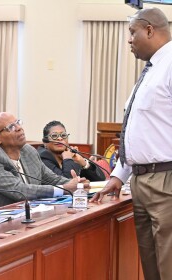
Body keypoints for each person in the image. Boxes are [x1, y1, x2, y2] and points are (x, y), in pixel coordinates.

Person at [90, 8, 172, 280]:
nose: (129, 40)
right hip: (139, 180)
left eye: (132, 32)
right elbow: (138, 133)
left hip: (166, 179)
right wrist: (118, 176)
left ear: (149, 30)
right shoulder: (151, 71)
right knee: (151, 266)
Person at [0, 112, 88, 212]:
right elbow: (20, 191)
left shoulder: (28, 151)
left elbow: (52, 179)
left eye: (18, 122)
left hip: (25, 214)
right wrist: (65, 188)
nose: (19, 128)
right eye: (11, 127)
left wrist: (78, 185)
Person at [38, 120, 106, 181]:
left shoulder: (71, 154)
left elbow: (101, 178)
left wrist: (84, 163)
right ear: (45, 142)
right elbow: (67, 182)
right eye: (54, 136)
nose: (59, 138)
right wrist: (67, 159)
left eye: (63, 135)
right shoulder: (42, 157)